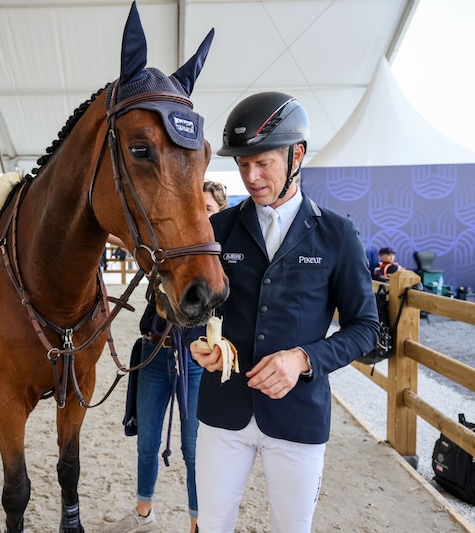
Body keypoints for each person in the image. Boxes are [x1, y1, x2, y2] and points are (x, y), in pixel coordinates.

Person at [189, 92, 379, 532]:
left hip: (298, 416)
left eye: (263, 163)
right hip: (223, 410)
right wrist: (198, 341)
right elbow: (186, 311)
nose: (251, 177)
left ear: (297, 154)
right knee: (211, 524)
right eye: (241, 164)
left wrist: (303, 359)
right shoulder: (218, 229)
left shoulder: (337, 234)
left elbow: (366, 328)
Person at [106, 180, 229, 533]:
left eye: (209, 209)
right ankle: (144, 512)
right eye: (198, 208)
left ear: (218, 215)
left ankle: (197, 523)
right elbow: (134, 242)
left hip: (194, 360)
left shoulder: (216, 263)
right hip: (154, 351)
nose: (202, 214)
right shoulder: (174, 251)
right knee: (147, 440)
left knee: (193, 450)